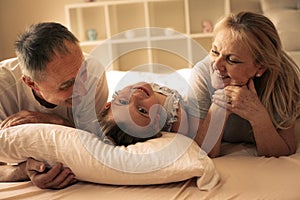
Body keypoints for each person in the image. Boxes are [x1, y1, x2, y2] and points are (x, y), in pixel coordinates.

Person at [0, 22, 108, 188]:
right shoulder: (3, 87)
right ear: (31, 83)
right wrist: (24, 171)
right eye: (67, 85)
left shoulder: (94, 75)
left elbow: (94, 143)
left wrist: (56, 121)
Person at [188, 11, 300, 158]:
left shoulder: (283, 79)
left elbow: (285, 150)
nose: (216, 64)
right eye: (215, 51)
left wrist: (258, 116)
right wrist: (219, 106)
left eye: (232, 60)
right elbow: (202, 153)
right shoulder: (202, 74)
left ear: (260, 68)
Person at [98, 81, 199, 146]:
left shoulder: (129, 91)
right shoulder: (177, 118)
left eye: (123, 101)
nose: (135, 95)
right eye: (142, 110)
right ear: (156, 122)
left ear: (109, 103)